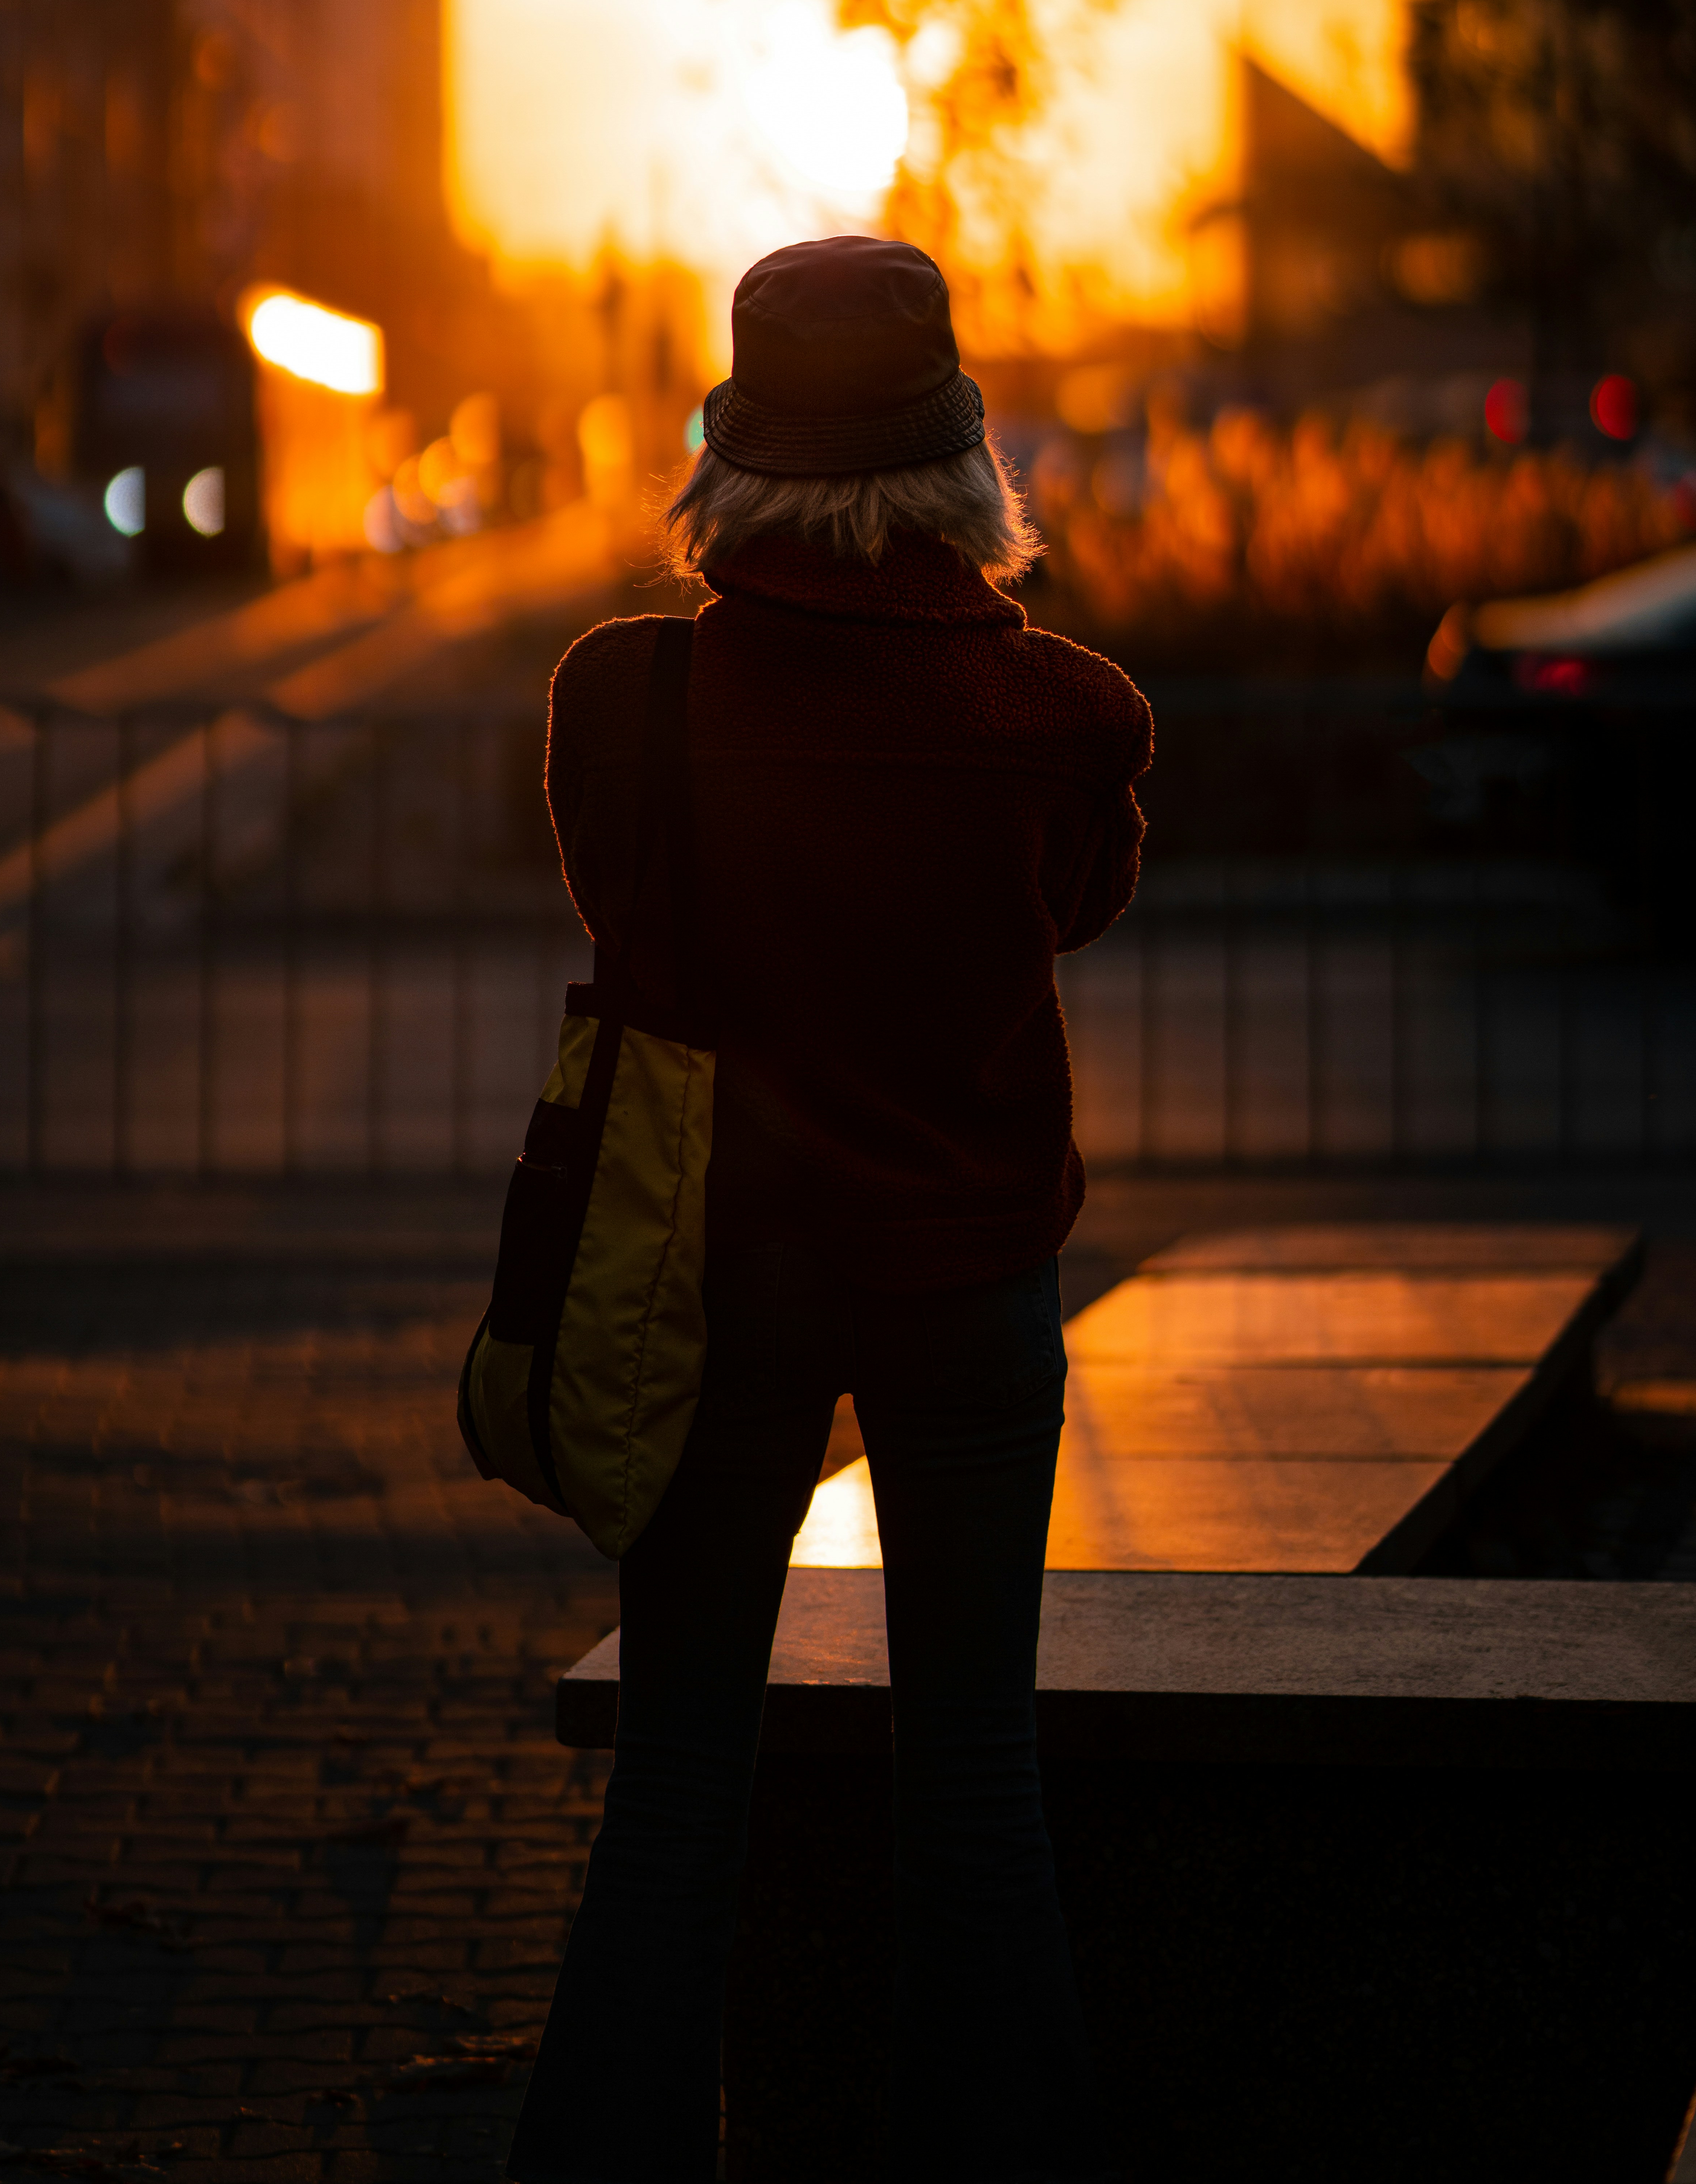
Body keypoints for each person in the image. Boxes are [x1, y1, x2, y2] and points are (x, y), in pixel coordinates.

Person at [506, 233, 1150, 2184]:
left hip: (710, 1280)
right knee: (980, 1775)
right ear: (961, 459)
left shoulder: (626, 695)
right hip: (970, 1281)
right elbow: (1076, 908)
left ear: (734, 456)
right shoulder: (1068, 711)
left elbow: (620, 905)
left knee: (682, 1775)